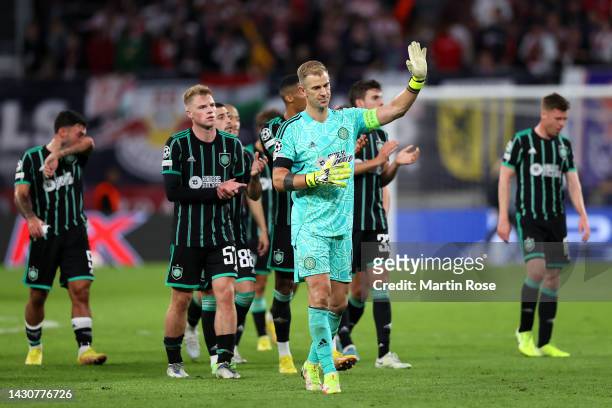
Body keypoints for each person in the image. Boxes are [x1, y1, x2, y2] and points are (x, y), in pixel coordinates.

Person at [272, 42, 428, 394]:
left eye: (326, 85)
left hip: (343, 226)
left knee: (339, 304)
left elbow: (394, 111)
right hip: (310, 224)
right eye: (316, 87)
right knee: (319, 293)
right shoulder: (292, 130)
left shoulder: (348, 120)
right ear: (302, 91)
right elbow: (279, 180)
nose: (324, 92)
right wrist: (313, 178)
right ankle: (328, 373)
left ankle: (311, 362)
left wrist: (416, 82)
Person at [161, 85, 247, 379]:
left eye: (211, 105)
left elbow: (242, 181)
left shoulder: (232, 146)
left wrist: (239, 185)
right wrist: (217, 190)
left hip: (221, 234)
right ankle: (174, 361)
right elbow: (173, 192)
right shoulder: (176, 145)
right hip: (187, 236)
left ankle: (223, 361)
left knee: (226, 294)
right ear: (189, 114)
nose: (210, 110)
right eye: (203, 107)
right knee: (181, 299)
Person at [497, 92, 590, 358]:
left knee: (553, 277)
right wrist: (503, 216)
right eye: (558, 118)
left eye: (565, 119)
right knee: (537, 271)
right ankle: (524, 333)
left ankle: (545, 341)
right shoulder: (521, 141)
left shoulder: (564, 146)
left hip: (556, 219)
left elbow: (572, 181)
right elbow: (504, 177)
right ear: (545, 114)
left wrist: (582, 214)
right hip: (529, 217)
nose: (562, 123)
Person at [337, 79, 420, 369]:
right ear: (360, 104)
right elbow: (340, 171)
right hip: (347, 222)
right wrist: (377, 161)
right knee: (352, 291)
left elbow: (380, 177)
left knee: (381, 284)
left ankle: (384, 354)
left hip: (375, 220)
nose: (381, 103)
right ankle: (341, 336)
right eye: (376, 98)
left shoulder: (379, 135)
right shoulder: (343, 131)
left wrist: (395, 163)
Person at [15, 110, 107, 366]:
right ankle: (35, 347)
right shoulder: (31, 158)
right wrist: (31, 218)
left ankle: (84, 350)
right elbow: (21, 195)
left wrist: (57, 155)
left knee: (81, 290)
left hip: (75, 233)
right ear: (62, 131)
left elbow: (90, 144)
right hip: (45, 236)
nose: (84, 136)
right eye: (79, 130)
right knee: (37, 295)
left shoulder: (77, 154)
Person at [258, 75, 307, 374]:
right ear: (291, 97)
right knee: (284, 286)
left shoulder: (320, 123)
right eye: (305, 90)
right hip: (285, 221)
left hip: (318, 217)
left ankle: (327, 351)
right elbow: (287, 160)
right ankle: (285, 355)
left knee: (322, 286)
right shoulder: (271, 130)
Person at [250, 109, 283, 352]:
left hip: (283, 229)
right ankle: (262, 334)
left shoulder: (284, 156)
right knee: (259, 284)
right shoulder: (252, 157)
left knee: (287, 283)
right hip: (260, 233)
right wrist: (263, 230)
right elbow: (251, 198)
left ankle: (273, 315)